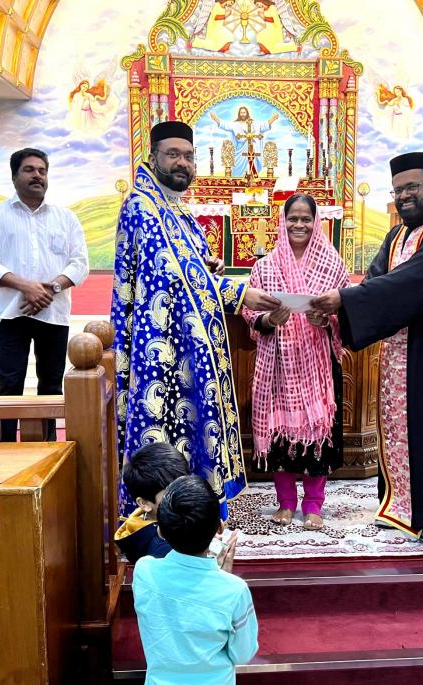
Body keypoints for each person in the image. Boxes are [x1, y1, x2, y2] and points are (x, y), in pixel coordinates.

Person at [312, 152, 423, 538]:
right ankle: (401, 503)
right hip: (399, 355)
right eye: (397, 190)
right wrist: (335, 312)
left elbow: (411, 281)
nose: (404, 196)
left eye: (412, 187)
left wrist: (345, 299)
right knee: (399, 429)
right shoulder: (397, 235)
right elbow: (377, 281)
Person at [111, 120, 279, 521]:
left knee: (190, 429)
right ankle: (163, 524)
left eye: (188, 156)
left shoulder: (175, 207)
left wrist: (209, 265)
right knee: (167, 429)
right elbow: (169, 272)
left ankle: (193, 516)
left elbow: (190, 264)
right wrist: (239, 293)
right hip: (161, 350)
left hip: (183, 342)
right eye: (173, 154)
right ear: (152, 156)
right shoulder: (142, 206)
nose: (182, 163)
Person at [242, 194, 349, 530]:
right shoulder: (265, 266)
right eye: (293, 218)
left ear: (316, 222)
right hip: (277, 364)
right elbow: (250, 312)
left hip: (318, 365)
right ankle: (286, 503)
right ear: (282, 221)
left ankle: (314, 505)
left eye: (306, 219)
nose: (299, 225)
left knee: (317, 433)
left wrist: (326, 320)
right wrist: (269, 320)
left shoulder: (333, 264)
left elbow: (347, 310)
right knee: (281, 435)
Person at [0, 147, 89, 441]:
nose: (37, 175)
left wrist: (51, 288)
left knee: (50, 385)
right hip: (13, 313)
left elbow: (80, 263)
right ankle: (5, 449)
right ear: (14, 176)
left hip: (54, 313)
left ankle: (48, 447)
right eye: (29, 170)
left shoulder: (65, 218)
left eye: (42, 170)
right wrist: (26, 286)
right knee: (9, 384)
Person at [133, 474, 258, 685]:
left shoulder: (144, 572)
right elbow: (242, 654)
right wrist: (221, 578)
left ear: (161, 531)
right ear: (219, 527)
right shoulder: (234, 591)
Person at [114, 442, 189, 564]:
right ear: (144, 503)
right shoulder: (161, 552)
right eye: (171, 492)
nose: (184, 495)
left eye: (184, 484)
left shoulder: (147, 522)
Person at [210, 106, 278, 177]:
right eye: (241, 112)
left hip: (252, 150)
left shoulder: (254, 124)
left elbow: (264, 125)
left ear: (247, 113)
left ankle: (252, 179)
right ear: (239, 114)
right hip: (240, 151)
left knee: (252, 167)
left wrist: (273, 119)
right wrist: (215, 118)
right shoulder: (235, 124)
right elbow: (225, 125)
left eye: (244, 112)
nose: (243, 114)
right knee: (237, 171)